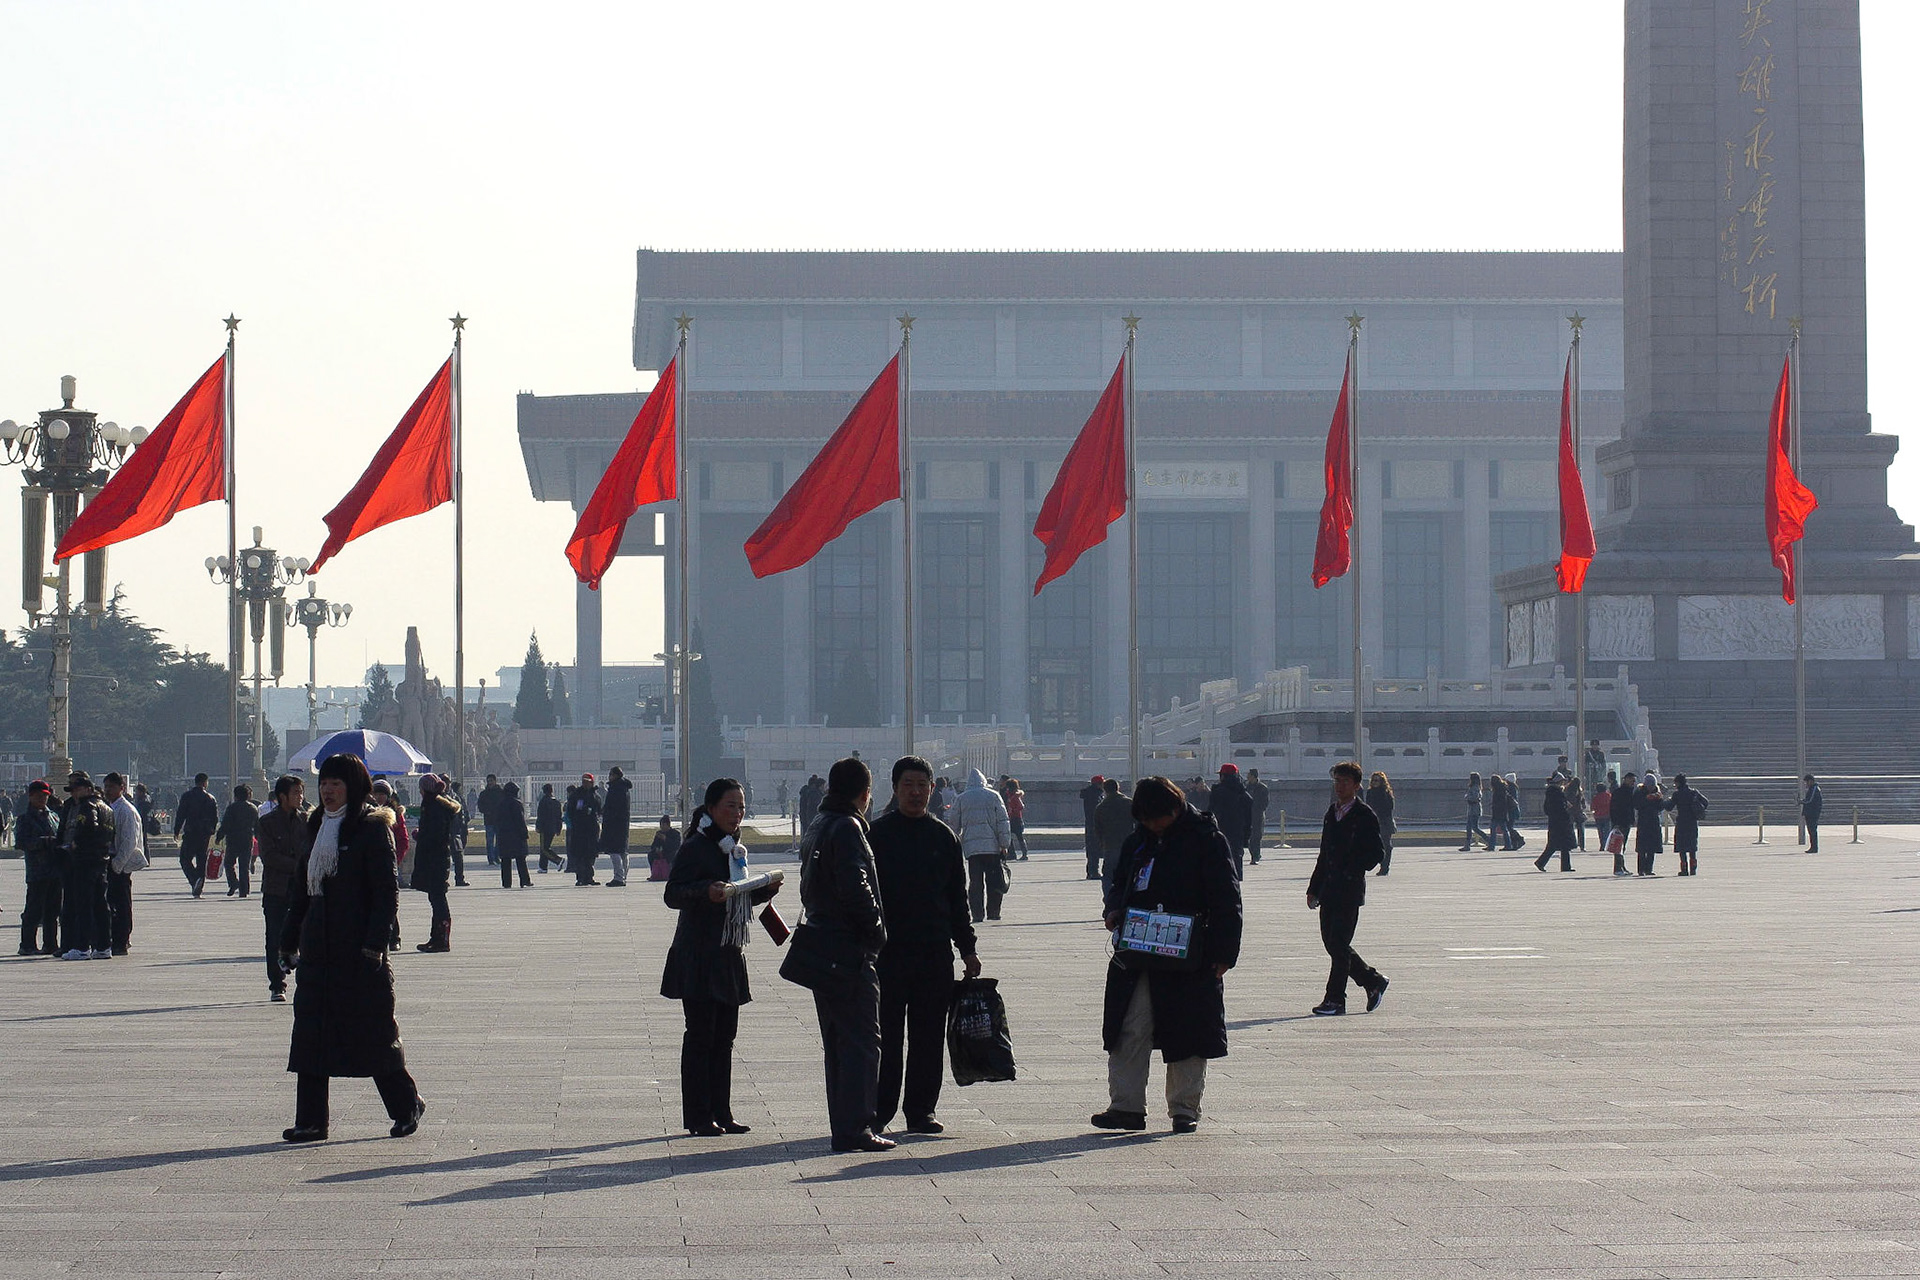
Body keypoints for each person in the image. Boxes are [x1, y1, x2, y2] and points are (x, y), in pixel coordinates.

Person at [279, 753, 426, 1143]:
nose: (327, 791)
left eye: (337, 784)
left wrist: (375, 944)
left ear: (354, 788)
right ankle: (311, 1121)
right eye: (324, 783)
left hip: (359, 952)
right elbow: (301, 891)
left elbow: (385, 893)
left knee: (373, 1033)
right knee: (310, 1034)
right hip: (318, 948)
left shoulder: (371, 828)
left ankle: (406, 1104)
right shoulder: (314, 826)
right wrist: (288, 940)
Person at [1094, 776, 1242, 1134]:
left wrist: (1224, 953)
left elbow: (1227, 898)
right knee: (1130, 1026)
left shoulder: (1206, 840)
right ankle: (1126, 1106)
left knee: (1188, 1030)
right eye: (1143, 819)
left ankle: (1184, 1107)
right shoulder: (1138, 842)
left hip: (1190, 953)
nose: (1149, 825)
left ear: (1174, 809)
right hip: (1138, 951)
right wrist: (1113, 909)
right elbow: (1119, 884)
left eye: (1154, 818)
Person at [661, 777, 782, 1137]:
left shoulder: (733, 849)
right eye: (730, 806)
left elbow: (736, 897)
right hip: (698, 953)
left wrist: (762, 891)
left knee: (725, 1036)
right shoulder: (696, 846)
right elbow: (673, 894)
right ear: (711, 809)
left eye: (741, 807)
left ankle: (722, 1111)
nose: (737, 813)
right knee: (700, 1034)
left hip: (728, 951)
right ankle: (698, 1116)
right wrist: (705, 891)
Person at [868, 756, 981, 1136]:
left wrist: (967, 948)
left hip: (933, 953)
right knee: (886, 1036)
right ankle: (879, 1110)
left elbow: (957, 899)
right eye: (908, 785)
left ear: (932, 790)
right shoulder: (876, 835)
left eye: (922, 785)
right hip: (887, 954)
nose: (915, 792)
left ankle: (921, 1110)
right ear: (895, 788)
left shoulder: (943, 837)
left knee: (928, 1037)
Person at [795, 756, 893, 1153]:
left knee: (838, 1042)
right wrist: (877, 933)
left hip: (823, 944)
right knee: (862, 1041)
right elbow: (856, 885)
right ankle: (857, 1126)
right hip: (848, 948)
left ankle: (845, 1125)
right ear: (865, 793)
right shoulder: (849, 827)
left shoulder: (819, 823)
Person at [1308, 762, 1388, 1016]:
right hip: (1329, 888)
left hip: (1349, 889)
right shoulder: (1332, 813)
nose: (1339, 786)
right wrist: (1314, 888)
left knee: (1339, 943)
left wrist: (1353, 867)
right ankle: (1372, 980)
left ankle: (1335, 999)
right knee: (1333, 944)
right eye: (1336, 781)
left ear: (1356, 785)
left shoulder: (1364, 815)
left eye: (1344, 782)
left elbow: (1377, 853)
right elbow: (1324, 854)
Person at [257, 775, 312, 1002]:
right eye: (296, 793)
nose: (300, 797)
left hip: (302, 888)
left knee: (305, 933)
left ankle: (306, 978)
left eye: (301, 792)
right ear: (282, 797)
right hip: (276, 888)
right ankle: (277, 983)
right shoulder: (267, 823)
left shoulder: (306, 821)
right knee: (275, 936)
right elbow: (269, 856)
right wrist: (298, 865)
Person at [54, 771, 115, 960]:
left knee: (83, 904)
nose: (74, 793)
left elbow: (89, 826)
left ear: (88, 789)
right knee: (100, 904)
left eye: (77, 789)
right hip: (101, 859)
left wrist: (76, 843)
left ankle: (82, 947)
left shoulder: (87, 806)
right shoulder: (107, 807)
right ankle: (104, 946)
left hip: (84, 860)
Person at [953, 768, 1011, 923]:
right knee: (993, 881)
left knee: (975, 882)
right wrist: (1004, 844)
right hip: (992, 847)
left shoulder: (961, 798)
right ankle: (993, 912)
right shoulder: (994, 796)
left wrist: (954, 843)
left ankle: (977, 913)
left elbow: (954, 824)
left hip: (972, 849)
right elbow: (1003, 822)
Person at [410, 775, 460, 952]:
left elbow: (435, 834)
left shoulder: (433, 806)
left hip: (434, 859)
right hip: (438, 858)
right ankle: (436, 937)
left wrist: (420, 835)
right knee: (436, 897)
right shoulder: (438, 804)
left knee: (437, 898)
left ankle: (441, 939)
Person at [102, 772, 146, 955]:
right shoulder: (110, 807)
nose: (107, 791)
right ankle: (115, 937)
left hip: (120, 863)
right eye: (106, 787)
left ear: (121, 788)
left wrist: (117, 864)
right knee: (112, 901)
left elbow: (129, 841)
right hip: (112, 861)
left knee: (122, 903)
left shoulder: (126, 810)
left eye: (111, 787)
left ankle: (122, 939)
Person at [15, 780, 60, 956]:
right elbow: (20, 842)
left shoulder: (54, 816)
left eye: (45, 796)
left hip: (55, 869)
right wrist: (42, 842)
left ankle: (50, 944)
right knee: (33, 910)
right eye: (39, 795)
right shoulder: (24, 819)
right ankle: (27, 944)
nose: (42, 799)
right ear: (31, 796)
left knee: (52, 911)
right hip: (37, 870)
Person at [174, 773, 219, 897]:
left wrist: (176, 830)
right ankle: (198, 886)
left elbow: (181, 814)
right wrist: (212, 831)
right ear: (205, 783)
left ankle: (194, 880)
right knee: (201, 860)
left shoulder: (187, 796)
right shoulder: (210, 798)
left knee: (184, 859)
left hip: (191, 832)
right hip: (204, 834)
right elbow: (215, 818)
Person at [1207, 764, 1254, 878]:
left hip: (1220, 831)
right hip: (1237, 832)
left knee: (1219, 862)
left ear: (1223, 776)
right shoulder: (1243, 793)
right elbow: (1248, 819)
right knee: (1236, 861)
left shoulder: (1217, 791)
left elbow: (1210, 813)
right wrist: (1246, 836)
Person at [217, 784, 260, 898]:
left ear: (235, 796)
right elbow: (257, 827)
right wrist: (260, 839)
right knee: (244, 866)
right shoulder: (253, 808)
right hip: (247, 839)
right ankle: (244, 890)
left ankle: (233, 883)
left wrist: (219, 836)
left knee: (229, 863)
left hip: (233, 840)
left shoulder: (232, 808)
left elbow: (225, 824)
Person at [1092, 778, 1134, 890]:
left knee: (1108, 876)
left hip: (1110, 846)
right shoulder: (1129, 803)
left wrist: (1102, 843)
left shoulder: (1100, 807)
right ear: (1118, 788)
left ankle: (1109, 899)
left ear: (1104, 790)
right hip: (1128, 845)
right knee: (1128, 874)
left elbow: (1097, 829)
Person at [566, 773, 602, 885]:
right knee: (580, 854)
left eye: (588, 781)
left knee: (590, 854)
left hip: (591, 829)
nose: (585, 783)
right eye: (584, 781)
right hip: (579, 829)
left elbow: (599, 811)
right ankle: (580, 877)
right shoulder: (576, 795)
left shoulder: (596, 796)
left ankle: (589, 877)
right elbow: (571, 811)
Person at [1534, 778, 1577, 873]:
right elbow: (1561, 809)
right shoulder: (1558, 794)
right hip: (1561, 823)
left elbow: (1546, 809)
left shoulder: (1550, 794)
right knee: (1564, 846)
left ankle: (1541, 862)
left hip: (1553, 823)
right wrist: (1567, 813)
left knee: (1553, 845)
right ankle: (1565, 867)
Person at [1670, 774, 1709, 875]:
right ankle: (1693, 869)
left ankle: (1684, 869)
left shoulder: (1677, 794)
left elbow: (1669, 806)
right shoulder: (1694, 792)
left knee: (1682, 847)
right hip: (1692, 822)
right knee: (1692, 847)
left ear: (1678, 783)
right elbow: (1705, 802)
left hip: (1681, 823)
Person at [601, 766, 634, 887]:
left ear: (615, 775)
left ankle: (619, 877)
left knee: (614, 850)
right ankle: (623, 876)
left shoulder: (616, 789)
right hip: (623, 823)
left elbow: (613, 807)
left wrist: (607, 816)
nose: (609, 776)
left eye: (610, 774)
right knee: (623, 851)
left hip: (615, 823)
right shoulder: (624, 788)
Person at [1633, 773, 1670, 877]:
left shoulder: (1657, 792)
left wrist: (1659, 798)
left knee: (1652, 848)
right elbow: (1636, 805)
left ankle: (1649, 869)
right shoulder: (1639, 792)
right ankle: (1641, 870)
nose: (1651, 787)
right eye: (1649, 785)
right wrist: (1647, 799)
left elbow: (1661, 807)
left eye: (1652, 786)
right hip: (1643, 822)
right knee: (1642, 848)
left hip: (1654, 822)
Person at [494, 782, 530, 888]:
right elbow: (520, 820)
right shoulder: (516, 803)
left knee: (505, 860)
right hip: (516, 835)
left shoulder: (500, 803)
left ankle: (506, 882)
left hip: (503, 835)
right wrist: (524, 833)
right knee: (520, 859)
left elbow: (497, 819)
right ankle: (524, 880)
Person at [1367, 771, 1396, 876]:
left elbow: (1390, 807)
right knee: (1375, 845)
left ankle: (1385, 867)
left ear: (1382, 781)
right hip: (1374, 822)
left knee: (1387, 846)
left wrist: (1380, 815)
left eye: (1377, 780)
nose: (1375, 782)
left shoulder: (1386, 792)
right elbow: (1368, 806)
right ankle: (1380, 863)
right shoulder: (1370, 792)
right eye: (1373, 780)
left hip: (1385, 822)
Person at [1609, 770, 1638, 877]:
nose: (1633, 783)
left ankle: (1622, 866)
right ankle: (1617, 868)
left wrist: (1633, 819)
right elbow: (1613, 808)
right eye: (1631, 780)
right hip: (1619, 822)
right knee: (1618, 845)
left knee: (1623, 845)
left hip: (1626, 822)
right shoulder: (1619, 792)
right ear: (1625, 780)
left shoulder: (1631, 791)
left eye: (1634, 781)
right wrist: (1615, 822)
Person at [1079, 776, 1105, 879]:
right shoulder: (1095, 795)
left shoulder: (1090, 793)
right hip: (1095, 825)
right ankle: (1094, 872)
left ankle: (1091, 871)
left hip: (1090, 825)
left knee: (1092, 849)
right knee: (1094, 848)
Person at [535, 783, 564, 872]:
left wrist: (538, 826)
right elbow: (559, 817)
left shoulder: (543, 801)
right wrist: (558, 828)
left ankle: (557, 860)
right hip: (553, 827)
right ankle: (543, 867)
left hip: (545, 827)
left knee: (544, 848)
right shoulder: (556, 802)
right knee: (545, 847)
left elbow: (540, 815)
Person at [1460, 771, 1491, 851]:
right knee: (1469, 827)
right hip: (1472, 809)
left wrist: (1467, 797)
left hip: (1474, 810)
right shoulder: (1474, 787)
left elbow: (1475, 797)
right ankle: (1467, 845)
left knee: (1475, 828)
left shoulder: (1475, 787)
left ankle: (1488, 840)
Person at [476, 774, 503, 866]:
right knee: (490, 841)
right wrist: (486, 811)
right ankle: (491, 859)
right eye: (488, 781)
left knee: (499, 840)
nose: (490, 783)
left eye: (491, 781)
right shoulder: (484, 794)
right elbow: (480, 806)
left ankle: (497, 856)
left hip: (499, 820)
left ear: (495, 781)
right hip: (489, 820)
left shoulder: (501, 792)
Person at [1246, 768, 1270, 866]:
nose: (1247, 777)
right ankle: (1254, 853)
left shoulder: (1262, 788)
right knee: (1248, 837)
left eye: (1249, 775)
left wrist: (1258, 810)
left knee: (1256, 837)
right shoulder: (1246, 787)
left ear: (1253, 776)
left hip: (1258, 816)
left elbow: (1265, 802)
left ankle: (1255, 856)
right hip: (1247, 816)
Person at [648, 814, 681, 882]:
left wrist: (665, 839)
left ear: (668, 825)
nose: (662, 827)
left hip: (670, 852)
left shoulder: (675, 833)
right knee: (651, 855)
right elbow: (653, 845)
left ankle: (669, 873)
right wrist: (656, 849)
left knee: (672, 856)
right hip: (661, 851)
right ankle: (655, 873)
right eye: (661, 825)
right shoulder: (659, 833)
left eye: (663, 825)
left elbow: (676, 845)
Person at [1002, 778, 1029, 861]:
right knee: (1009, 836)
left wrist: (1013, 810)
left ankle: (1024, 854)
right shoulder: (1010, 795)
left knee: (1019, 837)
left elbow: (1021, 807)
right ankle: (1012, 854)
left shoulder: (1015, 796)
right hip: (1011, 818)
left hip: (1016, 819)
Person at [1485, 774, 1509, 852]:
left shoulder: (1497, 790)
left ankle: (1492, 846)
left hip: (1497, 812)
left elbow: (1498, 802)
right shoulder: (1503, 788)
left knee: (1493, 828)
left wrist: (1493, 806)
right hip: (1502, 812)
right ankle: (1508, 844)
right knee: (1504, 829)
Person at [1801, 774, 1823, 853]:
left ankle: (1814, 847)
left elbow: (1810, 800)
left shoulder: (1814, 789)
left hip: (1812, 813)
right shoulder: (1812, 788)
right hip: (1810, 812)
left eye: (1806, 782)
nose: (1806, 784)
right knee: (1811, 831)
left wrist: (1802, 801)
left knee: (1813, 830)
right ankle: (1813, 847)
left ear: (1810, 781)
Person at [1568, 778, 1588, 851]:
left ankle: (1572, 844)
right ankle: (1582, 846)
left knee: (1571, 829)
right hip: (1578, 812)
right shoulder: (1579, 791)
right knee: (1581, 829)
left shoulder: (1569, 790)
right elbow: (1582, 801)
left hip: (1571, 812)